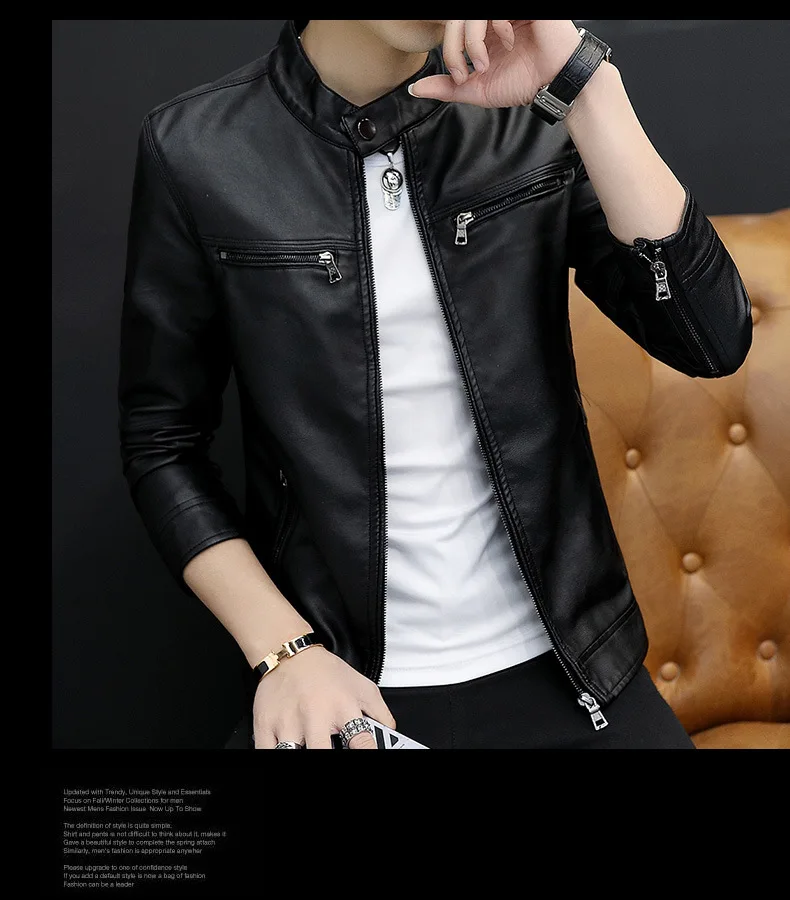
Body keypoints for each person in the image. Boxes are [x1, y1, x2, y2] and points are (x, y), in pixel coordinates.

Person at [118, 19, 752, 750]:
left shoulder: (531, 114)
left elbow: (711, 340)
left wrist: (585, 86)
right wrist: (287, 653)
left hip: (574, 668)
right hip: (348, 686)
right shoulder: (199, 147)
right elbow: (162, 445)